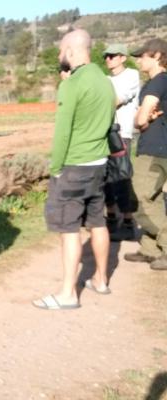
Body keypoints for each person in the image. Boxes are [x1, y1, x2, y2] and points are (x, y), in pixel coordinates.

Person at [33, 29, 115, 310]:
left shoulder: (71, 85)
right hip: (99, 164)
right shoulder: (105, 81)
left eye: (60, 51)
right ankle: (101, 280)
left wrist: (55, 168)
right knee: (97, 222)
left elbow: (62, 133)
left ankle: (68, 294)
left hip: (73, 166)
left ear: (70, 51)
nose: (59, 56)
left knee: (69, 229)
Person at [125, 38, 167, 270]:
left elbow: (140, 119)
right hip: (161, 149)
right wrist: (144, 117)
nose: (139, 59)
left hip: (153, 150)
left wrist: (143, 119)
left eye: (143, 56)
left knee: (140, 200)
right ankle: (150, 250)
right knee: (154, 199)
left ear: (158, 56)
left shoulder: (156, 83)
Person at [103, 44, 140, 240]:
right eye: (106, 57)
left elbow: (116, 100)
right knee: (106, 177)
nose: (108, 59)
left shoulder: (131, 75)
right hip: (104, 133)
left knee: (122, 177)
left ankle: (128, 221)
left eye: (112, 56)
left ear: (122, 57)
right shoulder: (106, 79)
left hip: (122, 133)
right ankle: (111, 217)